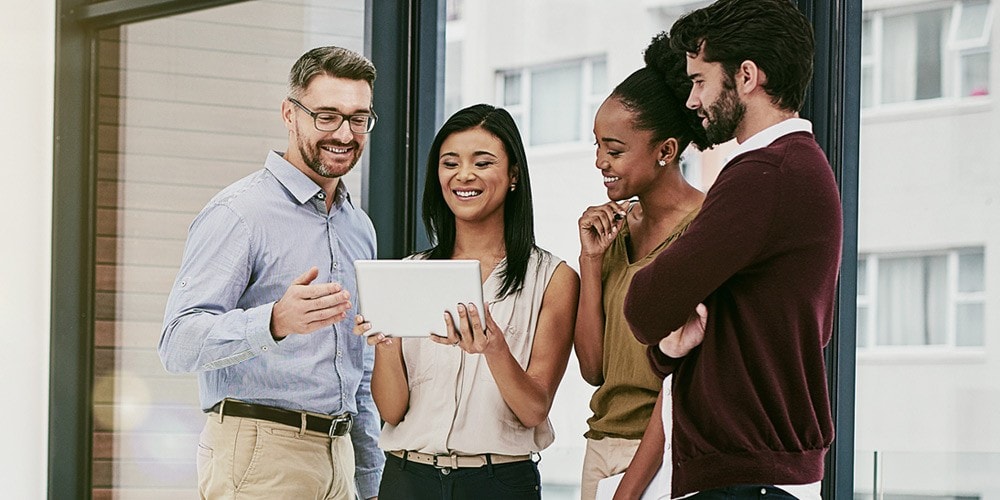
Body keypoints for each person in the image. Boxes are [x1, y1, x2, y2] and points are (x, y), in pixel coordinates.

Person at [623, 0, 844, 498]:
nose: (691, 101)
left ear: (747, 76)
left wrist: (659, 331)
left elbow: (645, 304)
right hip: (759, 471)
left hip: (745, 475)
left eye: (700, 81)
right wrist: (667, 350)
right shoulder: (800, 168)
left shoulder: (763, 174)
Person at [158, 46, 384, 500]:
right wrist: (274, 321)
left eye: (358, 118)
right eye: (327, 115)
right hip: (261, 453)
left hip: (338, 457)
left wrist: (370, 477)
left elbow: (358, 372)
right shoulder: (239, 213)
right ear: (289, 113)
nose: (344, 133)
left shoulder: (358, 226)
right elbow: (176, 343)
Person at [354, 103, 580, 500]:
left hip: (498, 483)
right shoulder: (410, 272)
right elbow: (392, 412)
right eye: (450, 162)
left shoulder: (553, 279)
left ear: (513, 175)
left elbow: (534, 410)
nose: (464, 175)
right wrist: (387, 346)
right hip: (408, 479)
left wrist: (493, 348)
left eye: (482, 162)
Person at [573, 33, 709, 500]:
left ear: (666, 151)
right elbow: (593, 368)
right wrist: (591, 263)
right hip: (602, 449)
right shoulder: (611, 235)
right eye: (597, 146)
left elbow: (687, 383)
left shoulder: (705, 232)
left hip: (670, 457)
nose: (599, 162)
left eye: (613, 150)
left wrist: (629, 490)